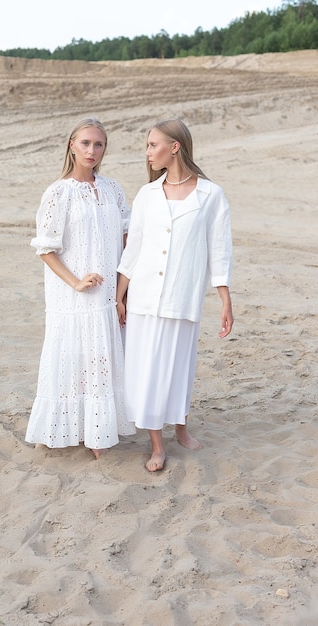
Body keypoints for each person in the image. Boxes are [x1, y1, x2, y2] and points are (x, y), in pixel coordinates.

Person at [116, 118, 233, 472]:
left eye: (154, 145)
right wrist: (120, 296)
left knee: (179, 366)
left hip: (183, 295)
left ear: (175, 147)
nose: (148, 152)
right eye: (148, 146)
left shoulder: (211, 195)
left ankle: (181, 426)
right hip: (145, 298)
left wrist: (226, 299)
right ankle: (156, 445)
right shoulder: (147, 195)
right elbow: (132, 250)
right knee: (148, 370)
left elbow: (220, 249)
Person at [25, 118, 135, 459]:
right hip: (72, 297)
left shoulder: (114, 188)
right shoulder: (58, 192)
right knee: (70, 357)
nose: (92, 150)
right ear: (72, 145)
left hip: (107, 297)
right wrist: (75, 281)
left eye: (98, 144)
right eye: (85, 143)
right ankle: (57, 430)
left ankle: (99, 434)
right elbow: (46, 248)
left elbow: (128, 238)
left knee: (102, 358)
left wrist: (122, 293)